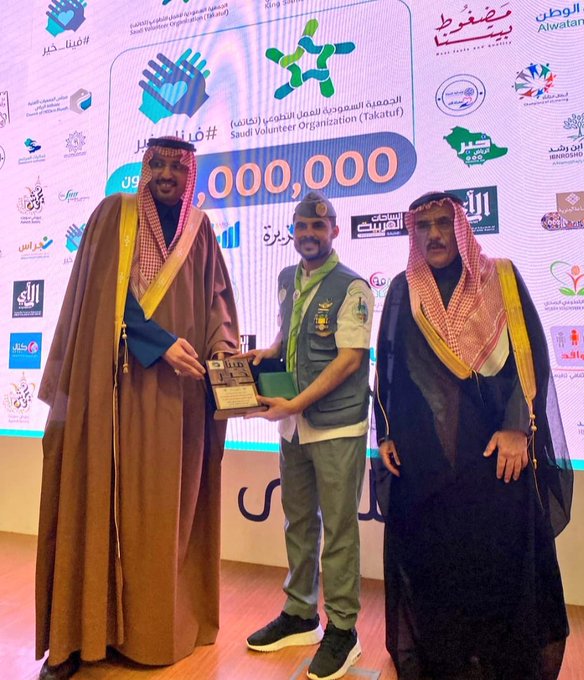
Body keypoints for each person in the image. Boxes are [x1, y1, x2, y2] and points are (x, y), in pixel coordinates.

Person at [35, 137, 239, 680]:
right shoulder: (115, 214)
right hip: (114, 393)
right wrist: (159, 342)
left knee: (164, 519)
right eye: (158, 164)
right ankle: (80, 634)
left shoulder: (201, 229)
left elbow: (217, 303)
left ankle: (154, 631)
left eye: (178, 166)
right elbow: (105, 296)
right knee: (96, 504)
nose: (167, 174)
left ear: (190, 174)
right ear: (145, 168)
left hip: (180, 401)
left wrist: (223, 351)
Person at [372, 191, 573, 680]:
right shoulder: (403, 289)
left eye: (444, 223)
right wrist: (386, 433)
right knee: (436, 562)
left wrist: (517, 427)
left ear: (461, 228)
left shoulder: (500, 278)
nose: (435, 235)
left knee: (496, 560)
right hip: (425, 460)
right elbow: (389, 365)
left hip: (493, 455)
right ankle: (448, 660)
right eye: (424, 226)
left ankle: (500, 662)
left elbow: (530, 357)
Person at [241, 191, 374, 680]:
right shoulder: (286, 279)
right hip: (294, 426)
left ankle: (343, 629)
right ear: (292, 232)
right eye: (302, 227)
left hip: (336, 423)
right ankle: (300, 613)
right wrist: (268, 351)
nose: (310, 235)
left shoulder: (353, 287)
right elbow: (292, 333)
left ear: (334, 231)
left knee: (338, 529)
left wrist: (296, 403)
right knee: (298, 521)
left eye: (319, 227)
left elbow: (350, 360)